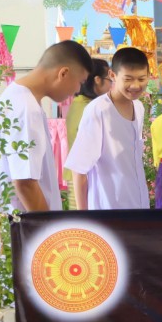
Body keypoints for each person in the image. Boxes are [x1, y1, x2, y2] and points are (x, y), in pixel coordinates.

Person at [0, 40, 91, 212]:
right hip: (23, 224)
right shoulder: (26, 108)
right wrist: (46, 226)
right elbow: (25, 183)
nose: (77, 91)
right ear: (63, 73)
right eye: (80, 83)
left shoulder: (17, 97)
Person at [65, 47, 150, 210]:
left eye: (141, 79)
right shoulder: (98, 110)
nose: (135, 85)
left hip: (139, 205)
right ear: (112, 75)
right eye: (128, 79)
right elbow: (79, 169)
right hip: (108, 208)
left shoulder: (138, 107)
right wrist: (84, 217)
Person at [64, 58, 112, 209]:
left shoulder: (79, 103)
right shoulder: (90, 108)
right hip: (82, 176)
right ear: (97, 80)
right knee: (83, 218)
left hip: (81, 175)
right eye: (110, 80)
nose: (112, 85)